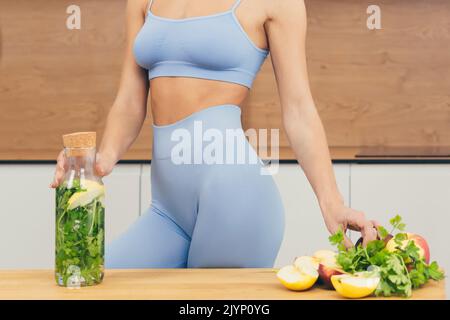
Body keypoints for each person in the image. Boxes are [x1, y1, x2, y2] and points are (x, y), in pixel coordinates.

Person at [51, 0, 378, 268]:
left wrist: (332, 204)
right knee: (90, 283)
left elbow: (299, 110)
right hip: (167, 211)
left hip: (235, 197)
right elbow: (129, 100)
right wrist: (99, 161)